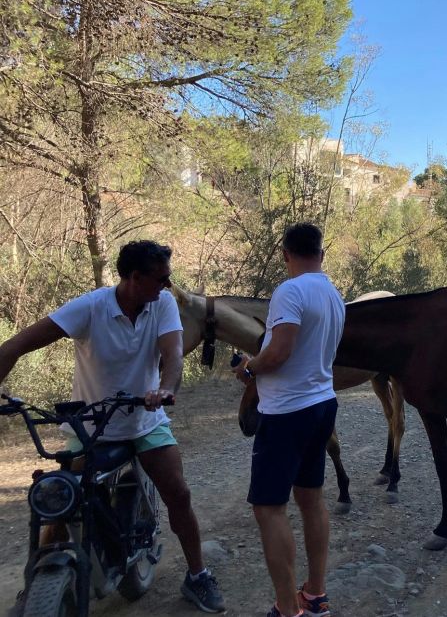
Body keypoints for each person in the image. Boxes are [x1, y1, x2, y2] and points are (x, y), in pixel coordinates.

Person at [0, 241, 225, 613]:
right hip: (90, 428)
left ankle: (198, 574)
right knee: (60, 501)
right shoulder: (90, 308)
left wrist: (165, 390)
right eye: (161, 279)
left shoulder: (162, 304)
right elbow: (15, 345)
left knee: (178, 494)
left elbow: (173, 356)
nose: (168, 286)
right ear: (135, 278)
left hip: (144, 420)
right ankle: (36, 585)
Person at [233, 223, 344, 617]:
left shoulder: (290, 290)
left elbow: (279, 351)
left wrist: (250, 368)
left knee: (268, 507)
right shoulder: (333, 294)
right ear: (321, 253)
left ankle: (286, 608)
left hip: (287, 412)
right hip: (322, 403)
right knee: (311, 499)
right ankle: (315, 595)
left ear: (285, 254)